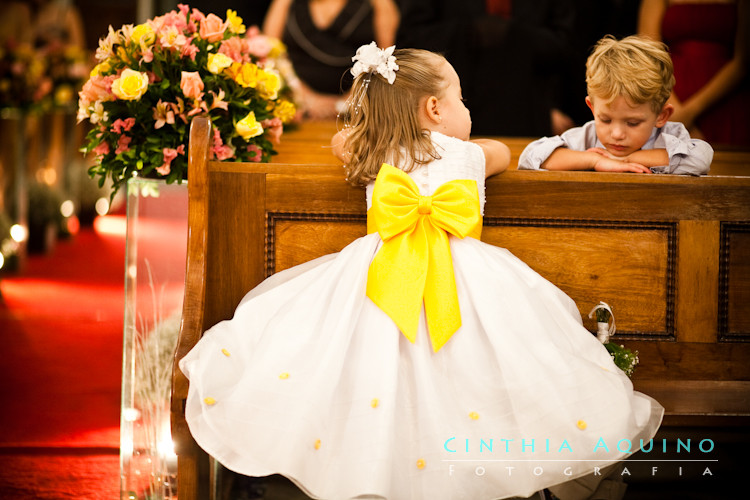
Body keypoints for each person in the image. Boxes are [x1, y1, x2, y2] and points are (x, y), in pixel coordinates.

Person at [179, 43, 663, 500]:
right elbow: (501, 154)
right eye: (460, 98)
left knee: (371, 368)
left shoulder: (372, 154)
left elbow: (339, 143)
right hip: (467, 278)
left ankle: (375, 469)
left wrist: (376, 125)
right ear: (435, 108)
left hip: (377, 274)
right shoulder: (473, 155)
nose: (466, 109)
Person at [519, 35, 713, 174]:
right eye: (605, 119)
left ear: (661, 116)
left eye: (632, 123)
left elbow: (701, 159)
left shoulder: (670, 137)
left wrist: (625, 159)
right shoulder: (587, 136)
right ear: (592, 108)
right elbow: (531, 156)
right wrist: (595, 160)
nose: (617, 134)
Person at [396, 0, 577, 137]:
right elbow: (410, 41)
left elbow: (567, 45)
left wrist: (513, 34)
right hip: (456, 107)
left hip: (528, 108)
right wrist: (471, 31)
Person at [638, 0, 750, 147]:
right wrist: (673, 110)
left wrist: (688, 113)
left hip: (726, 102)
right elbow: (648, 56)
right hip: (668, 95)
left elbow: (743, 61)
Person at [263, 0, 400, 119]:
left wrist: (349, 101)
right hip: (298, 107)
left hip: (360, 109)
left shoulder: (379, 3)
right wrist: (306, 98)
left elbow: (387, 58)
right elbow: (271, 54)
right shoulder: (285, 3)